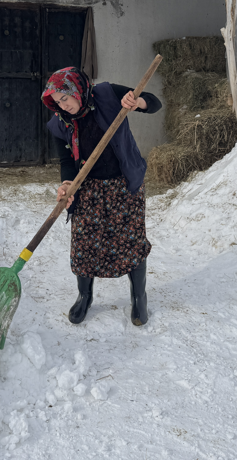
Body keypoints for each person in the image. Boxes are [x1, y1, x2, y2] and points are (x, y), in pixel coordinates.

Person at [41, 66, 162, 326]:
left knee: (131, 242)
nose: (63, 105)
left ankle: (139, 297)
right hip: (88, 189)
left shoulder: (107, 94)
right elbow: (66, 161)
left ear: (77, 89)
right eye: (58, 101)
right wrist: (66, 184)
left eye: (66, 97)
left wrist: (137, 102)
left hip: (123, 184)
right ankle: (84, 296)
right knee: (84, 245)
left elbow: (154, 103)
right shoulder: (60, 122)